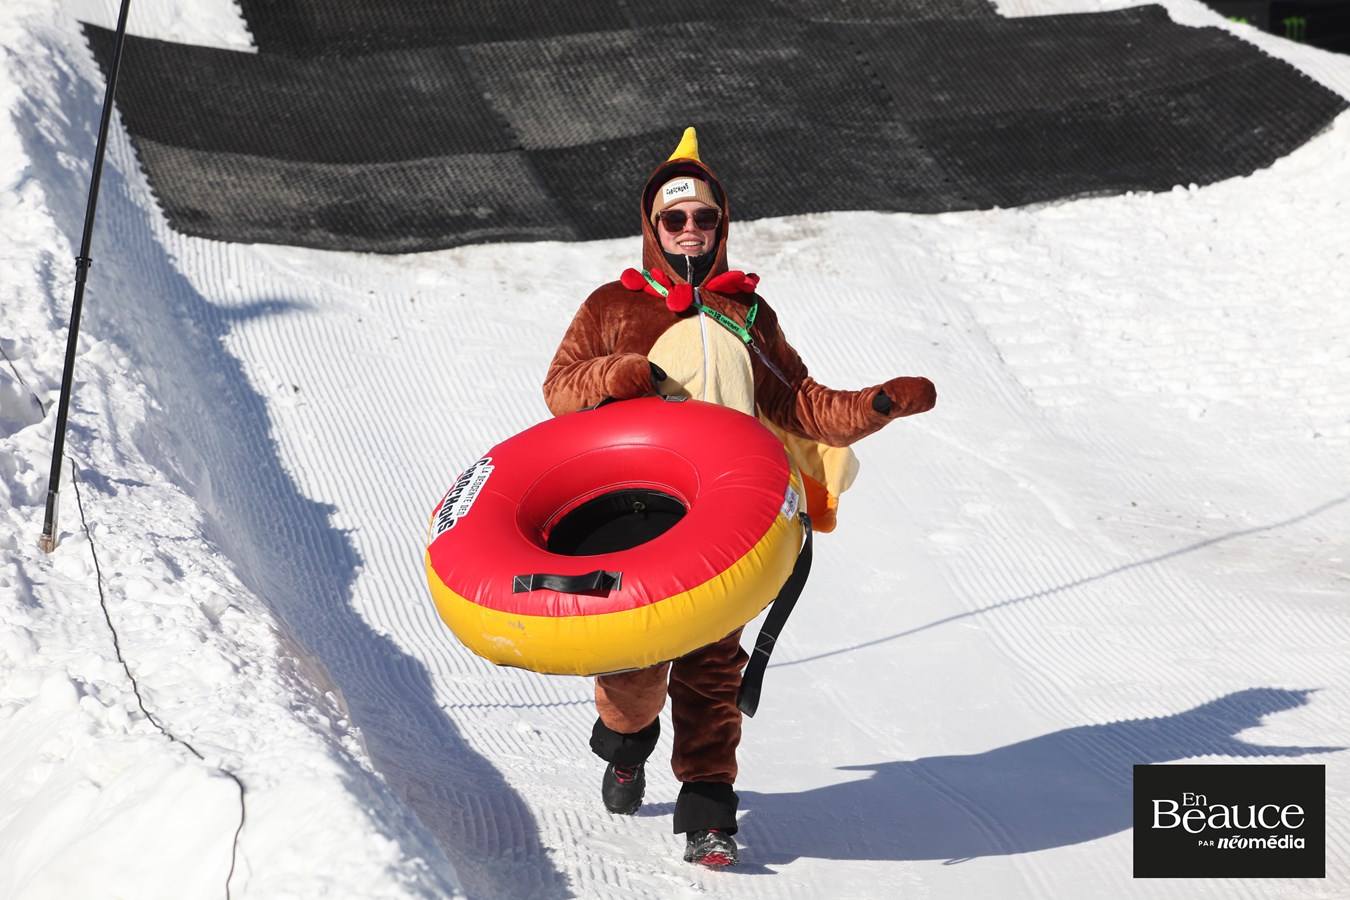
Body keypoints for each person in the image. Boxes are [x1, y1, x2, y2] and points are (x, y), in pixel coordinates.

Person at [541, 126, 936, 867]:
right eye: (675, 218)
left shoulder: (749, 315)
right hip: (637, 511)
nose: (690, 229)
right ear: (653, 227)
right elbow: (560, 388)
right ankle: (626, 748)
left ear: (722, 225)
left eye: (704, 217)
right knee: (632, 676)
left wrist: (876, 406)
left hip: (721, 516)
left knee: (712, 670)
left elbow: (802, 404)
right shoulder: (611, 306)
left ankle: (708, 816)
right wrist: (618, 373)